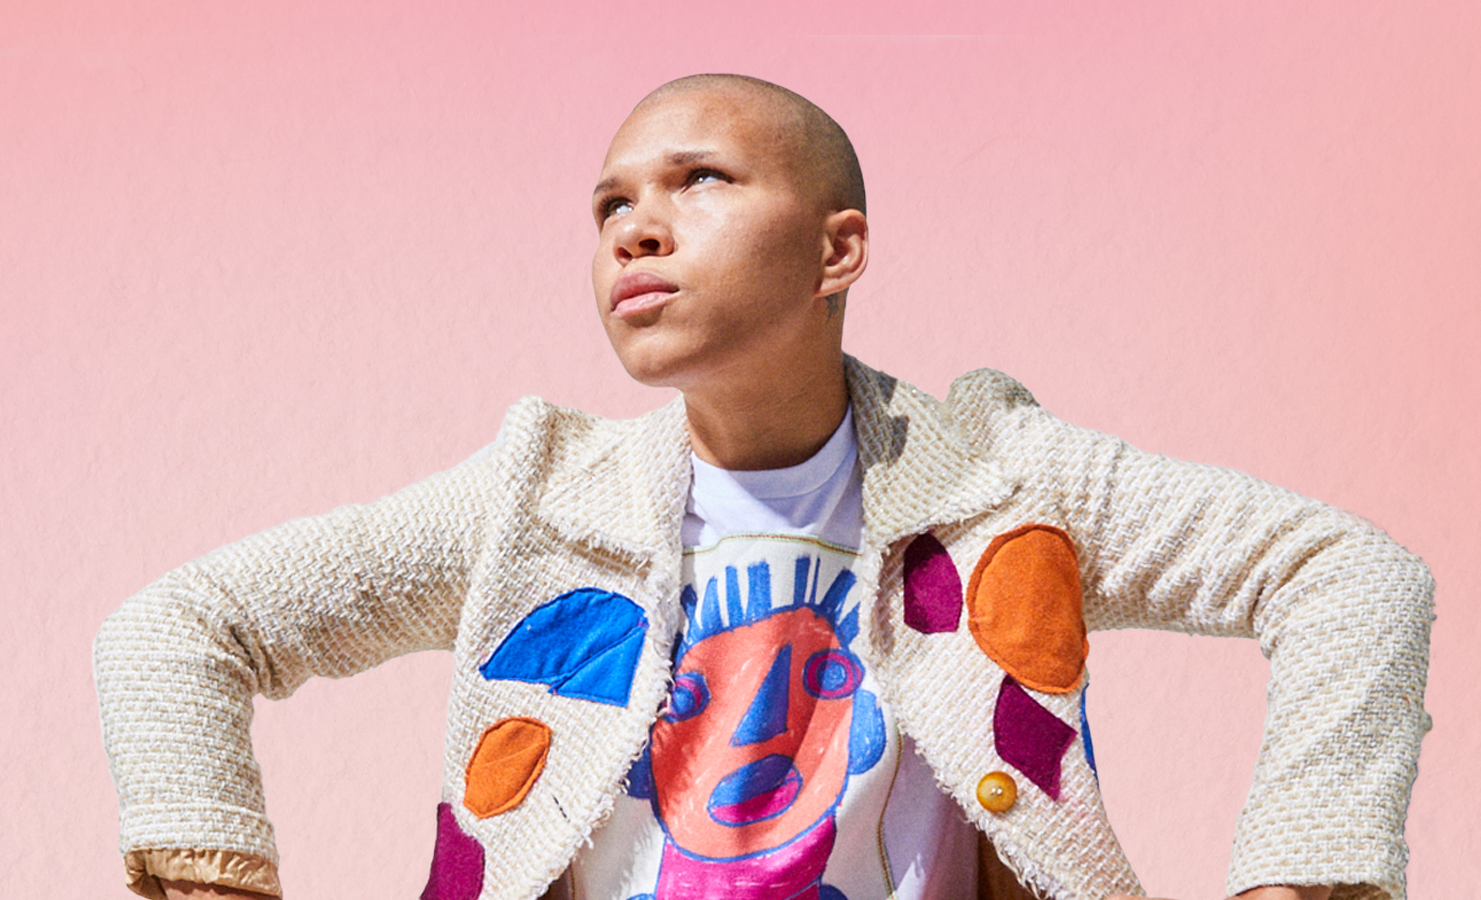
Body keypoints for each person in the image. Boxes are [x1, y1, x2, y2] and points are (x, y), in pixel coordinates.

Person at [94, 74, 1433, 900]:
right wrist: (213, 872)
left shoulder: (1003, 478)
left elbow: (1349, 572)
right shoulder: (538, 499)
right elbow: (179, 627)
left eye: (700, 180)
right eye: (610, 202)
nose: (637, 224)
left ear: (835, 249)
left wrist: (1304, 868)